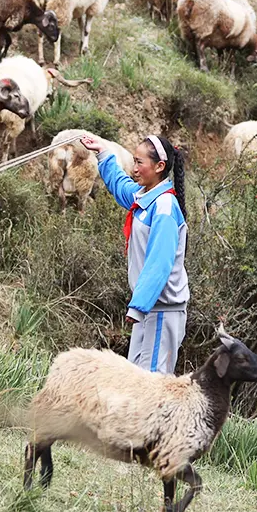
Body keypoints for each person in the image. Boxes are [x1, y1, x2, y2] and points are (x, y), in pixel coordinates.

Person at [80, 133, 189, 374]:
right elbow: (121, 186)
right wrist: (103, 153)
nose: (134, 167)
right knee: (136, 383)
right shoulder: (146, 197)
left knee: (152, 385)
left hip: (161, 310)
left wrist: (138, 306)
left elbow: (158, 263)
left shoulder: (163, 207)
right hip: (149, 308)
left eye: (140, 162)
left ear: (159, 166)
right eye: (134, 160)